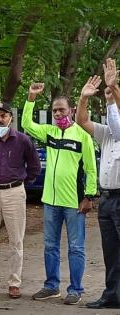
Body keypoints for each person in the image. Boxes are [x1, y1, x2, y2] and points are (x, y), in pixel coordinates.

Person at [21, 82, 97, 305]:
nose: (58, 113)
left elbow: (91, 168)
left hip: (74, 203)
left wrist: (89, 196)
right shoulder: (50, 132)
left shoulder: (83, 135)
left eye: (62, 109)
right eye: (54, 110)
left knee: (76, 247)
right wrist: (31, 98)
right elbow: (26, 123)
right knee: (50, 246)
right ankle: (51, 286)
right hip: (50, 202)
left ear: (71, 110)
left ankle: (76, 289)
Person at [0, 101, 41, 299]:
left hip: (15, 192)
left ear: (11, 118)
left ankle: (14, 283)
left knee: (16, 240)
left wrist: (21, 183)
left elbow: (34, 167)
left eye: (3, 115)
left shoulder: (23, 140)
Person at [76, 58, 120, 309]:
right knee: (111, 252)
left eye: (112, 98)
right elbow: (82, 122)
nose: (109, 102)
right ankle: (112, 295)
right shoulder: (107, 134)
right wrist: (83, 99)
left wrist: (113, 89)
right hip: (107, 199)